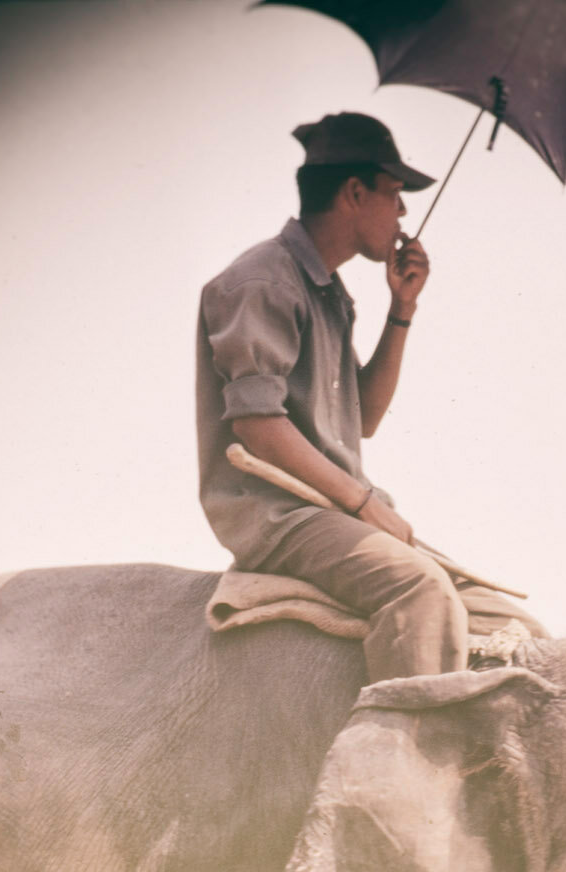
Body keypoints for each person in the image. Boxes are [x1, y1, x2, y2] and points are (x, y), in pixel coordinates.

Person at [196, 111, 535, 683]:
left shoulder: (330, 293)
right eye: (395, 193)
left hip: (335, 509)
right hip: (281, 515)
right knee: (418, 591)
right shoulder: (263, 282)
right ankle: (398, 765)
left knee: (508, 620)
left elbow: (366, 418)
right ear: (355, 193)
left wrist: (402, 309)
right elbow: (258, 426)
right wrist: (362, 503)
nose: (403, 212)